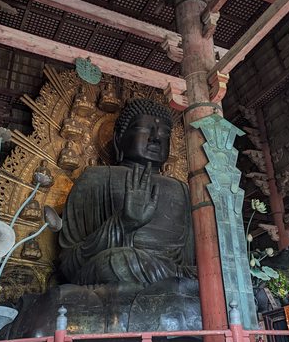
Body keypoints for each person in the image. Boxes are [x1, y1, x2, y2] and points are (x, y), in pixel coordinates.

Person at [58, 98, 194, 285]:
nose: (155, 138)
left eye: (164, 133)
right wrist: (122, 223)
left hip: (174, 275)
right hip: (120, 267)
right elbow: (68, 264)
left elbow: (191, 260)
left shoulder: (182, 190)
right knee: (119, 261)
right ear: (118, 138)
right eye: (144, 129)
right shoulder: (96, 178)